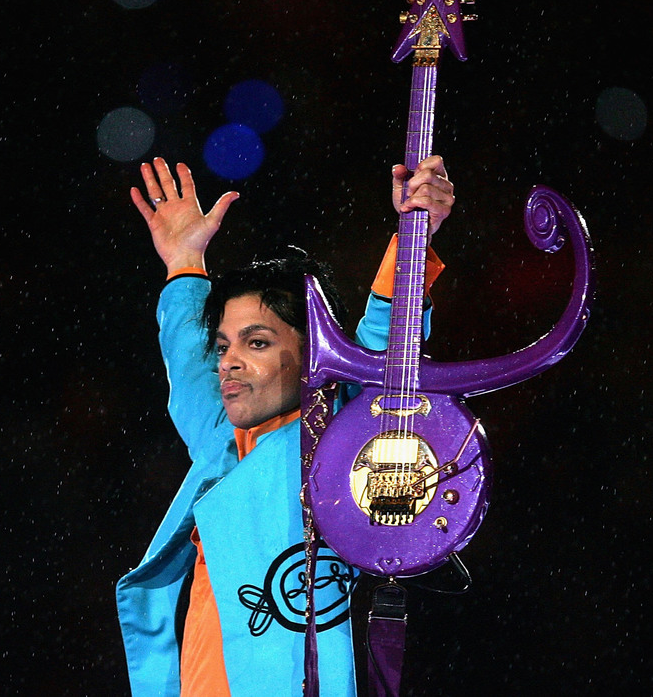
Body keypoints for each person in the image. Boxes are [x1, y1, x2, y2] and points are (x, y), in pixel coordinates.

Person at [115, 155, 455, 696]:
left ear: (313, 357)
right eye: (224, 347)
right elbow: (188, 359)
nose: (227, 361)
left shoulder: (334, 439)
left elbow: (384, 344)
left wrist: (412, 238)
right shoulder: (222, 447)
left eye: (257, 342)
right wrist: (183, 264)